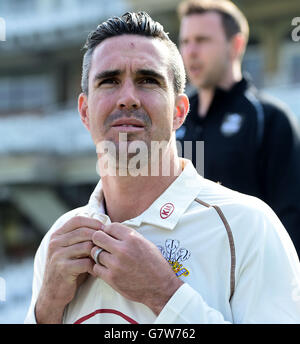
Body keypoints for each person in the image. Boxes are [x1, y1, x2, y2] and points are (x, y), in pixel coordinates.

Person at [25, 11, 300, 324]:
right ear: (85, 111)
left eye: (147, 80)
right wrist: (45, 309)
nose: (127, 98)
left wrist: (164, 295)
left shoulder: (249, 228)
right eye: (109, 81)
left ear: (180, 112)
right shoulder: (57, 242)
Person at [177, 0, 300, 256]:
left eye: (202, 40)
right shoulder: (174, 121)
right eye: (185, 41)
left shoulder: (269, 119)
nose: (190, 51)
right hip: (179, 283)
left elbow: (291, 218)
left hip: (247, 282)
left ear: (236, 45)